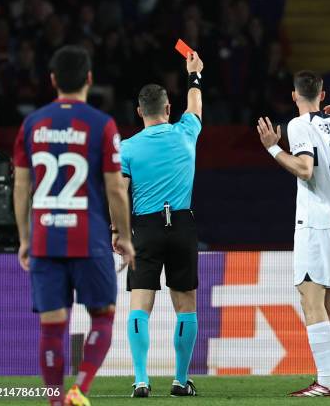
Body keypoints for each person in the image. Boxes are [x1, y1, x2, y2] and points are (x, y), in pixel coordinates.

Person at [12, 45, 135, 406]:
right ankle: (78, 389)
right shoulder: (102, 124)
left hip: (46, 238)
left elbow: (22, 186)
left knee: (51, 326)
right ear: (90, 79)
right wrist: (124, 236)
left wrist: (24, 239)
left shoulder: (32, 123)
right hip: (90, 239)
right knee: (103, 317)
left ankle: (53, 401)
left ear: (52, 80)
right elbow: (115, 187)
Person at [256, 70, 330, 396]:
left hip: (316, 221)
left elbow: (305, 168)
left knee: (310, 298)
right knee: (329, 302)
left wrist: (273, 148)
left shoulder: (298, 125)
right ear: (323, 94)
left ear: (294, 95)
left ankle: (327, 381)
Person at [120, 52, 203, 398]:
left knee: (140, 304)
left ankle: (141, 379)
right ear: (169, 109)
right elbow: (196, 106)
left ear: (139, 111)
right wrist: (194, 76)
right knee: (186, 306)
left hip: (146, 228)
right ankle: (180, 381)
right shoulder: (187, 132)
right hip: (182, 224)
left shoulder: (127, 148)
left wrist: (117, 232)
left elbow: (119, 194)